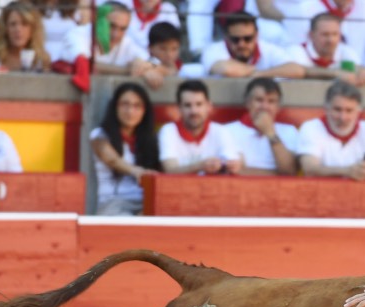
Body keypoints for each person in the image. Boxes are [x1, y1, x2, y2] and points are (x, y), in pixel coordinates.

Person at [297, 79, 365, 180]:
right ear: (326, 108)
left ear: (359, 110)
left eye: (349, 110)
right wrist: (348, 171)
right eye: (337, 109)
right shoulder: (311, 127)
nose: (343, 117)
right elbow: (310, 169)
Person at [90, 82, 161, 214]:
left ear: (145, 111)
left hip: (146, 202)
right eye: (125, 104)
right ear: (115, 107)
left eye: (137, 106)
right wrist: (136, 171)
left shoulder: (151, 139)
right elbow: (112, 159)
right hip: (114, 203)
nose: (130, 111)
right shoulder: (99, 135)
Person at [158, 79, 241, 175]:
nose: (194, 111)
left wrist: (231, 166)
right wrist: (200, 166)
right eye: (187, 105)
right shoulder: (169, 130)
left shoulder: (221, 130)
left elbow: (232, 165)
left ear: (209, 106)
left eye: (199, 104)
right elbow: (169, 170)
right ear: (179, 108)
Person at [224, 77, 298, 176]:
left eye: (271, 101)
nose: (264, 107)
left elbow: (290, 172)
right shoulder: (226, 131)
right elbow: (232, 173)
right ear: (247, 102)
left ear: (278, 107)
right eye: (259, 100)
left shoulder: (290, 131)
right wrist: (275, 174)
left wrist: (270, 133)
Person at [200, 12, 303, 79]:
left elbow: (297, 70)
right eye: (235, 39)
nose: (241, 44)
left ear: (256, 35)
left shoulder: (268, 48)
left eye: (247, 38)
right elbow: (226, 69)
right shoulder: (213, 50)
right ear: (226, 37)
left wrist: (259, 74)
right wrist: (265, 72)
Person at [59, 1, 149, 76]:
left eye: (122, 29)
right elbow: (86, 65)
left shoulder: (125, 41)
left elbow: (150, 61)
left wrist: (141, 64)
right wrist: (128, 70)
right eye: (111, 26)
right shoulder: (77, 34)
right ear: (96, 19)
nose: (116, 34)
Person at [282, 0, 365, 66]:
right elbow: (295, 52)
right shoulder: (304, 8)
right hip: (309, 74)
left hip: (353, 74)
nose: (331, 40)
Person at [286, 12, 365, 85]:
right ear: (311, 35)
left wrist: (364, 72)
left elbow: (357, 68)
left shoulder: (346, 51)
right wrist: (334, 73)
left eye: (335, 34)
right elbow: (299, 71)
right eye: (325, 34)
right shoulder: (297, 51)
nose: (331, 40)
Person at [0, 1, 50, 71]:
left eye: (24, 24)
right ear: (5, 28)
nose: (18, 29)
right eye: (13, 24)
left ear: (33, 28)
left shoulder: (42, 59)